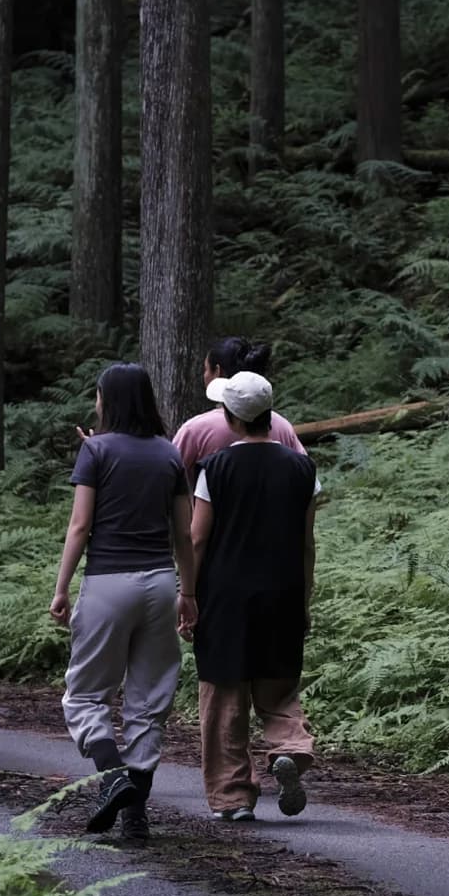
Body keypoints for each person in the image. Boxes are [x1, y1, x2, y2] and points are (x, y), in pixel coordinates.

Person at [50, 364, 197, 842]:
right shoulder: (169, 453)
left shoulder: (95, 450)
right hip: (158, 583)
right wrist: (188, 592)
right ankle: (136, 817)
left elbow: (79, 527)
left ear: (106, 400)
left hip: (108, 583)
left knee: (87, 692)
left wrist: (61, 587)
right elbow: (184, 535)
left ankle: (111, 776)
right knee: (148, 700)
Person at [182, 371, 322, 821]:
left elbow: (197, 539)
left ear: (229, 417)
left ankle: (233, 795)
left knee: (224, 697)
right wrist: (303, 600)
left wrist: (187, 593)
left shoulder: (215, 469)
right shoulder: (302, 468)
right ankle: (291, 751)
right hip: (282, 592)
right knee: (279, 688)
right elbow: (307, 543)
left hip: (225, 598)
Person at [173, 336, 305, 482]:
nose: (204, 375)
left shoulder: (195, 430)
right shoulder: (282, 427)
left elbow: (170, 478)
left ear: (217, 372)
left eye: (205, 369)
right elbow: (304, 477)